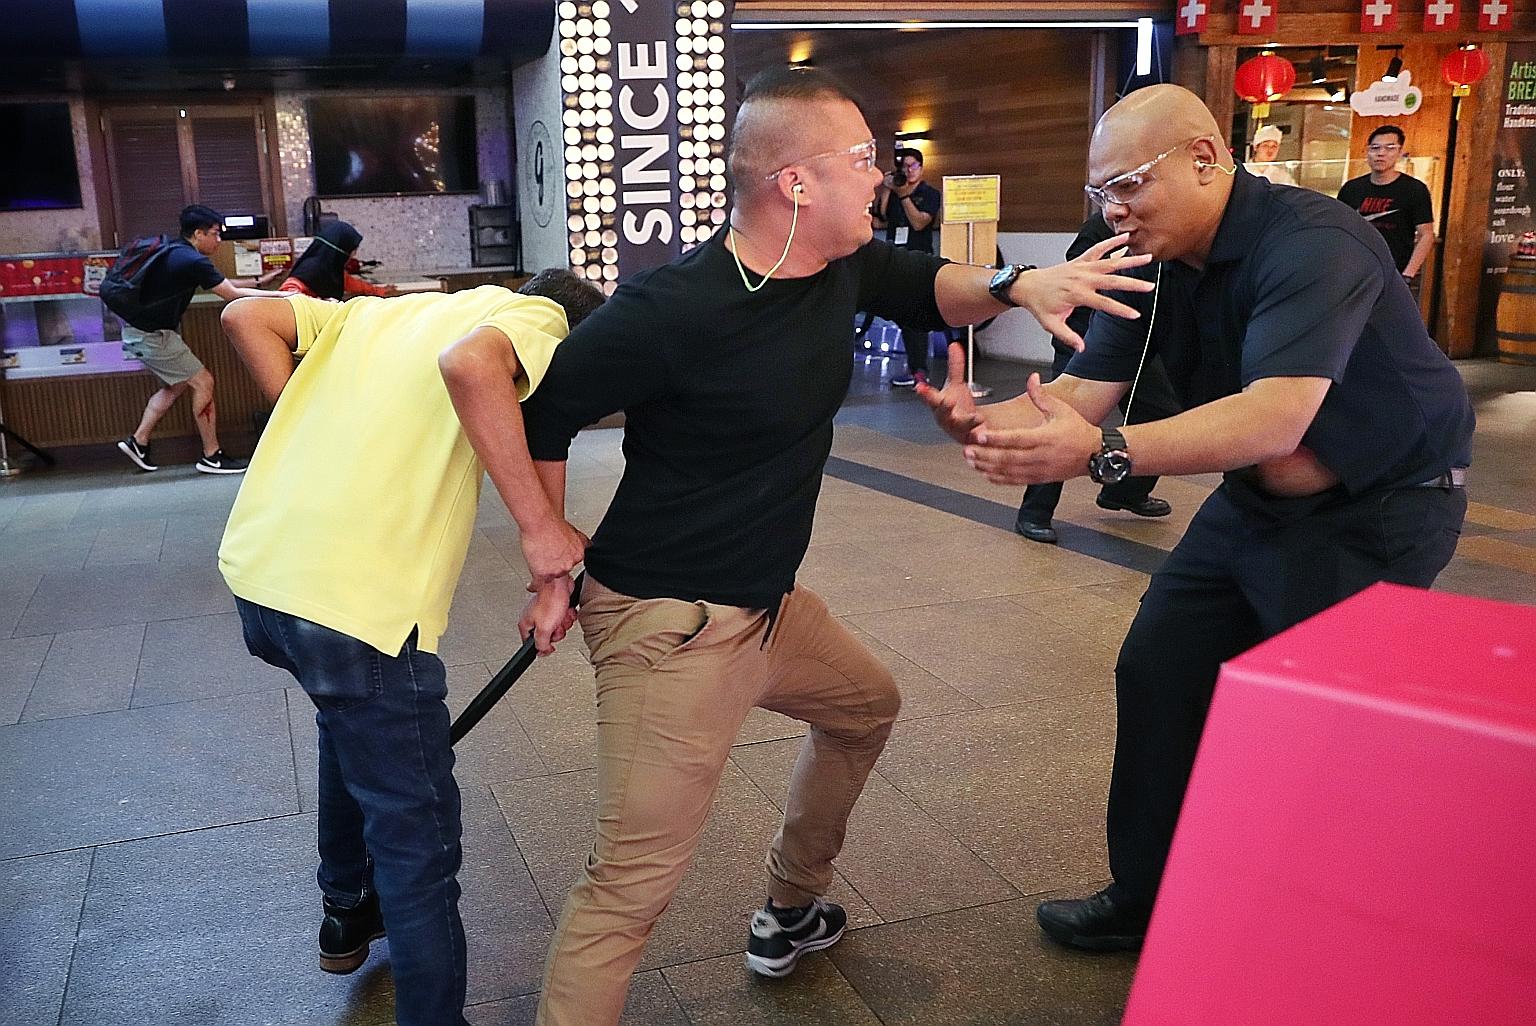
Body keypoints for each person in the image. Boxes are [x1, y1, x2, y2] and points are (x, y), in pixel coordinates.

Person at [517, 66, 1154, 1026]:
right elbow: (546, 414)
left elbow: (943, 289)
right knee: (629, 891)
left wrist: (1023, 283)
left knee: (865, 707)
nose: (880, 177)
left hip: (769, 609)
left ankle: (788, 909)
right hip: (672, 625)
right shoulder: (672, 308)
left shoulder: (844, 264)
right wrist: (552, 547)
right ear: (796, 185)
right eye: (861, 158)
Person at [921, 84, 1473, 952]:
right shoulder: (1144, 256)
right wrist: (987, 421)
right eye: (1099, 191)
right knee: (1158, 668)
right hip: (1258, 500)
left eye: (1130, 183)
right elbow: (1076, 395)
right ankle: (1146, 900)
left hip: (1384, 506)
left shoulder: (1313, 240)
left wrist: (1105, 455)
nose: (1114, 208)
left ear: (1206, 159)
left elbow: (1274, 417)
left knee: (1319, 728)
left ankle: (1324, 939)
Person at [216, 269, 604, 1026]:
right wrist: (541, 530)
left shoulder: (380, 316)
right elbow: (473, 366)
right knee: (418, 843)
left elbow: (248, 319)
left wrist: (307, 417)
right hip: (356, 608)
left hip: (261, 578)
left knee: (344, 716)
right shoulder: (539, 320)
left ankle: (346, 909)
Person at [1015, 212, 1177, 544]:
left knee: (1161, 411)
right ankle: (1034, 512)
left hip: (1138, 341)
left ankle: (1123, 491)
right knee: (1065, 418)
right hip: (1083, 339)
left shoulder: (1166, 229)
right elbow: (1077, 266)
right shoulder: (1103, 224)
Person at [115, 204, 281, 475]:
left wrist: (261, 281)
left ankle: (139, 441)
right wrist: (287, 297)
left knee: (178, 385)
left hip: (142, 332)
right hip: (152, 335)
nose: (219, 240)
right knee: (203, 381)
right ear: (198, 233)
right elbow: (230, 295)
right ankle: (211, 455)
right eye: (215, 234)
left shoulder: (177, 252)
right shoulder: (191, 260)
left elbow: (223, 284)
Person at [871, 146, 943, 387]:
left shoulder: (929, 193)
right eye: (905, 167)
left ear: (921, 167)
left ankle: (919, 371)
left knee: (916, 316)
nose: (909, 171)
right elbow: (881, 220)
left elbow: (920, 222)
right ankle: (914, 367)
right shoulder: (893, 192)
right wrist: (886, 190)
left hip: (919, 260)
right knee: (903, 315)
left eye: (913, 166)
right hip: (894, 259)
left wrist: (903, 195)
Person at [1337, 125, 1435, 292]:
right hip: (1355, 274)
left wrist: (1407, 275)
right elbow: (1338, 230)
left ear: (1399, 152)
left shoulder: (1414, 189)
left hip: (1394, 275)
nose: (1381, 153)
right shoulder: (1351, 188)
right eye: (1375, 148)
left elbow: (1426, 235)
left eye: (1389, 148)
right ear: (1367, 152)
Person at [280, 219, 398, 300]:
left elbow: (351, 283)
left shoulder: (329, 269)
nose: (354, 254)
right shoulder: (311, 269)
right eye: (353, 250)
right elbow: (287, 295)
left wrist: (379, 291)